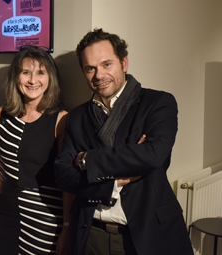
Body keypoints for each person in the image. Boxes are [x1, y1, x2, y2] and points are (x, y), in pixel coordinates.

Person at [54, 28, 194, 255]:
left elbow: (152, 155)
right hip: (92, 233)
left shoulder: (158, 103)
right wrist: (114, 182)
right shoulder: (78, 117)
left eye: (107, 64)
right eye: (90, 68)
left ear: (124, 63)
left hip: (148, 233)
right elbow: (64, 174)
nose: (99, 75)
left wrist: (87, 159)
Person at [0, 46, 70, 254]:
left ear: (50, 77)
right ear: (16, 77)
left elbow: (67, 181)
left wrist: (67, 227)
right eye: (25, 72)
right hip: (3, 214)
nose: (33, 80)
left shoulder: (61, 119)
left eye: (40, 73)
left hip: (44, 218)